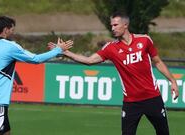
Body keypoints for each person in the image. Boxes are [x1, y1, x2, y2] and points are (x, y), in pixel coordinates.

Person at [51, 12, 179, 135]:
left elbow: (157, 62)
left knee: (163, 132)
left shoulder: (145, 40)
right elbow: (89, 60)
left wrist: (172, 81)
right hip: (131, 102)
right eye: (111, 25)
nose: (112, 28)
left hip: (152, 98)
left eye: (115, 25)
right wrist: (66, 53)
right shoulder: (110, 48)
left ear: (125, 25)